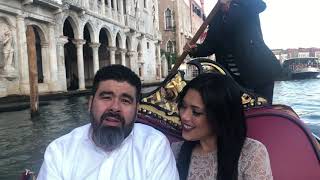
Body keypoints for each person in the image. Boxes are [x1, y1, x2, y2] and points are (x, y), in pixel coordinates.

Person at [37, 65, 179, 180]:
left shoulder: (154, 146)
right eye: (106, 97)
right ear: (90, 103)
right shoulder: (60, 151)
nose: (115, 107)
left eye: (125, 100)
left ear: (136, 111)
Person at [172, 73, 272, 180]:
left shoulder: (251, 154)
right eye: (183, 106)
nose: (184, 116)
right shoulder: (175, 151)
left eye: (196, 112)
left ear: (220, 117)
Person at [184, 0, 281, 104]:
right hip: (231, 77)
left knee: (262, 112)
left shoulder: (246, 6)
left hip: (259, 72)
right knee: (235, 113)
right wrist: (194, 49)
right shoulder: (216, 16)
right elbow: (210, 45)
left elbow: (261, 5)